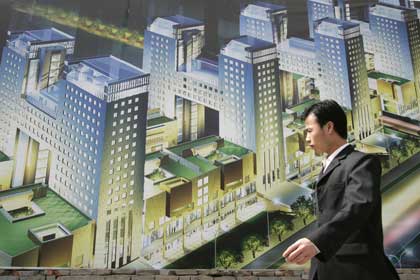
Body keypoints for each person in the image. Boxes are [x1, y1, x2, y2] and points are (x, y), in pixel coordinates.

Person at [282, 100, 400, 280]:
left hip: (356, 270)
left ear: (329, 127)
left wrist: (316, 242)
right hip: (324, 269)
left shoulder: (361, 162)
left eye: (309, 130)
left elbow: (358, 206)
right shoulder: (327, 167)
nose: (306, 139)